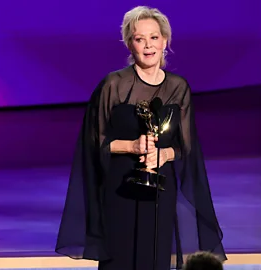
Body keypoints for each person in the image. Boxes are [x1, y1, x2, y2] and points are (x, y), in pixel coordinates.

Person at [55, 6, 226, 270]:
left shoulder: (178, 87)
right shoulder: (113, 85)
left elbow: (186, 146)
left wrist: (164, 154)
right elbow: (93, 143)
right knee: (120, 259)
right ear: (129, 44)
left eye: (154, 37)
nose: (148, 45)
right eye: (139, 38)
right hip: (120, 188)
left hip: (160, 188)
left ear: (165, 41)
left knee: (155, 257)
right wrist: (132, 147)